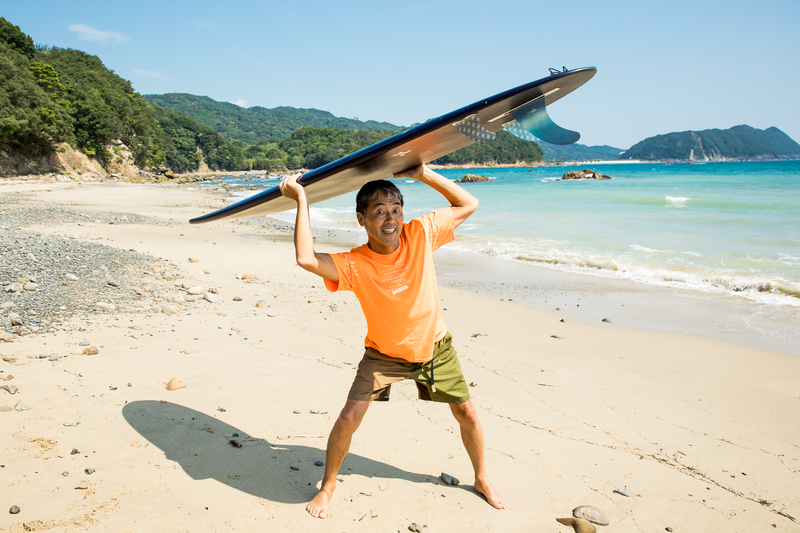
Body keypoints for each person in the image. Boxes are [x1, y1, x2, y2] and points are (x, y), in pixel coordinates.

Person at [279, 164, 507, 519]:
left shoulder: (420, 234)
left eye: (396, 209)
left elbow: (468, 204)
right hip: (383, 355)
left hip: (434, 348)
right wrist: (301, 199)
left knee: (467, 413)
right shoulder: (355, 263)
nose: (391, 219)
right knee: (349, 417)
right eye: (379, 211)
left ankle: (481, 477)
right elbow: (306, 259)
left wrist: (422, 173)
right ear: (361, 219)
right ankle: (328, 485)